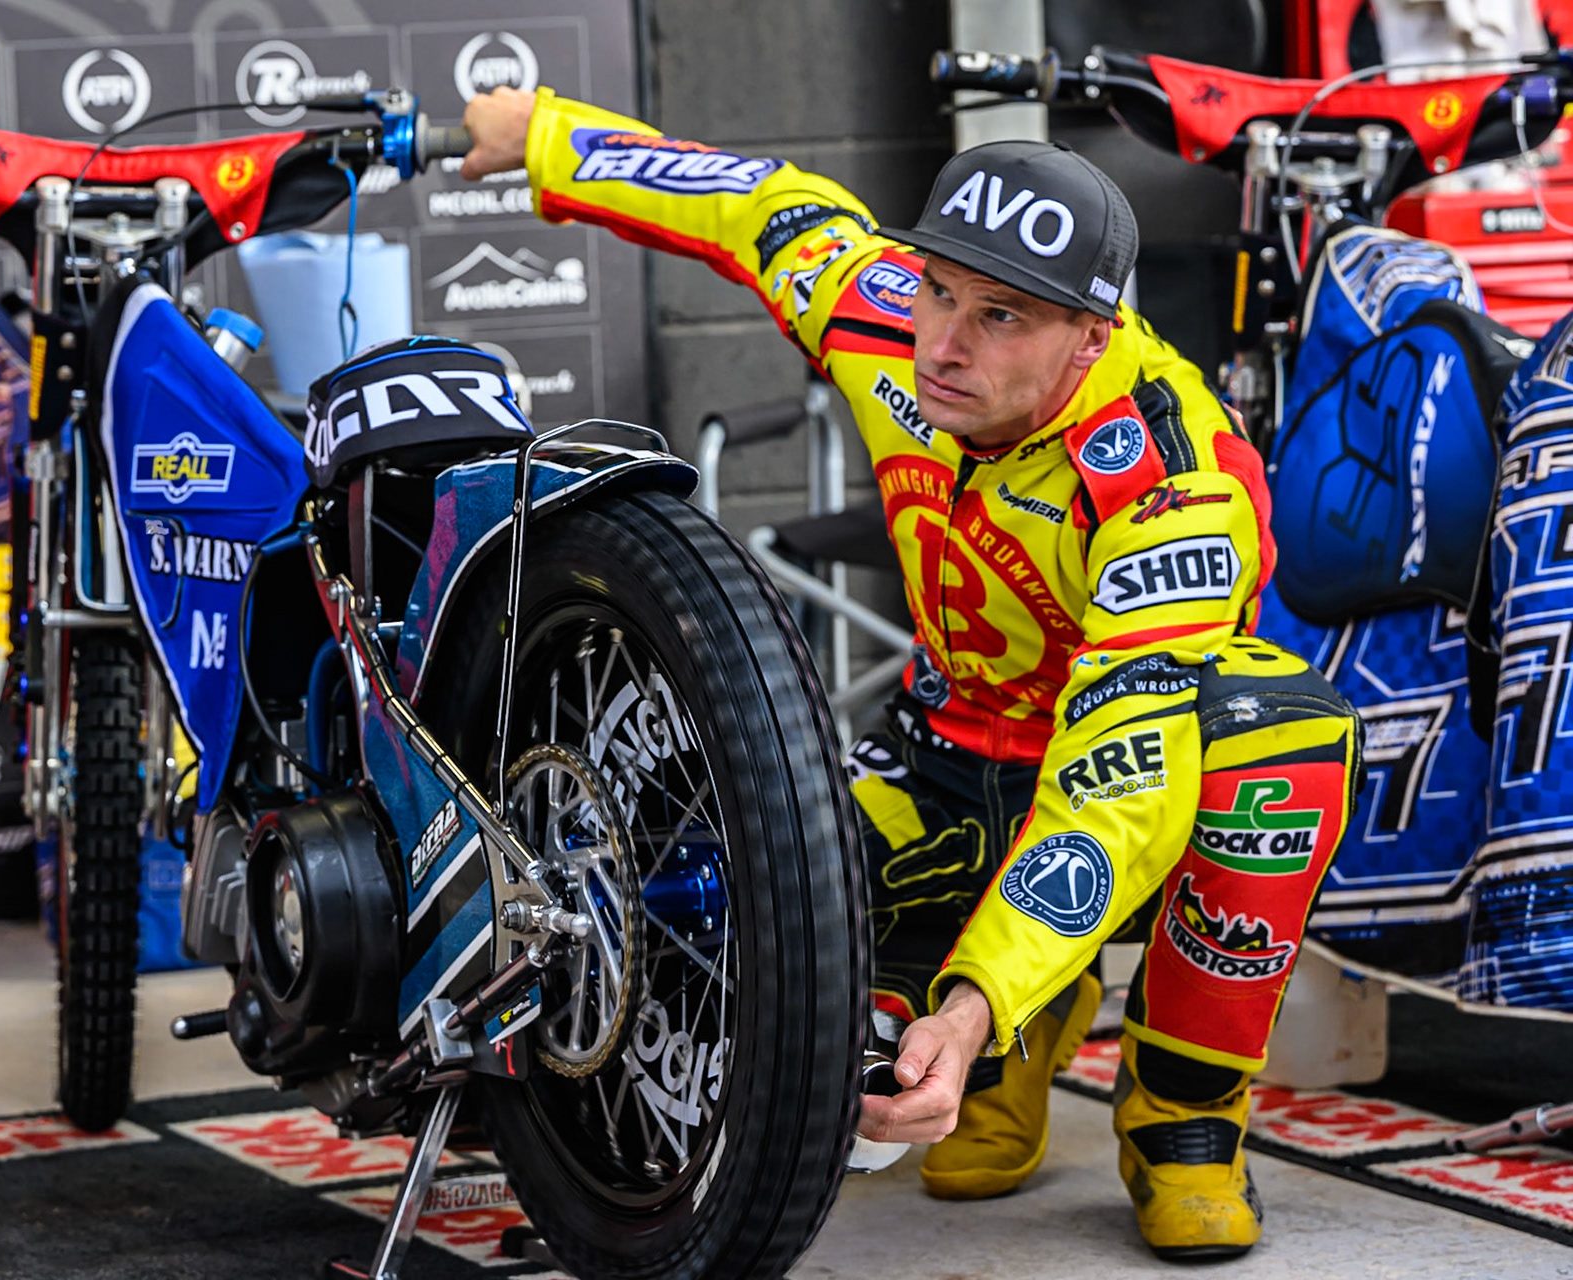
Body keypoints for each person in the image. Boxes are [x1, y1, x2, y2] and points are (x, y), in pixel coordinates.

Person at [459, 86, 1360, 1261]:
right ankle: (1009, 1051)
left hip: (1132, 762)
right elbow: (764, 210)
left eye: (1001, 318)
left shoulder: (1172, 482)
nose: (943, 344)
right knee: (735, 904)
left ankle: (1183, 1120)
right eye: (939, 290)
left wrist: (982, 989)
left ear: (1089, 337)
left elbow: (1118, 783)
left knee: (1283, 750)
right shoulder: (890, 317)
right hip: (946, 746)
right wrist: (544, 135)